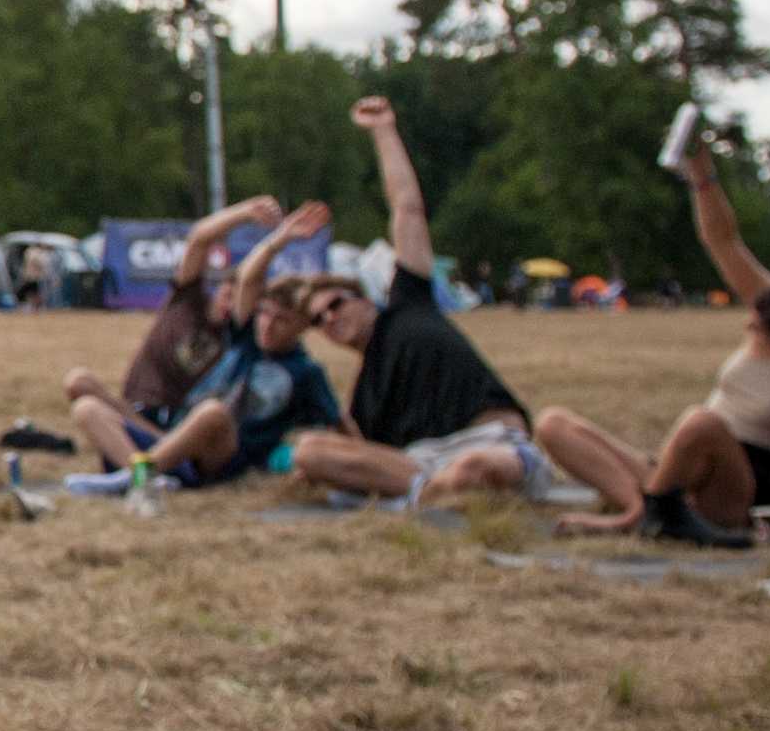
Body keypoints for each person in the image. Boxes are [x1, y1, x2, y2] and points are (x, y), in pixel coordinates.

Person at [534, 151, 770, 545]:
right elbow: (723, 241)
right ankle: (644, 509)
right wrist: (702, 173)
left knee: (704, 422)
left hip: (737, 493)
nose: (748, 325)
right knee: (553, 424)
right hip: (681, 472)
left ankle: (646, 513)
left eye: (758, 329)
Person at [286, 97, 541, 502]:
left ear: (365, 299)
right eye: (318, 321)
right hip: (421, 465)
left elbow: (407, 209)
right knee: (311, 450)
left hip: (486, 442)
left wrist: (383, 130)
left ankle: (443, 490)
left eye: (335, 304)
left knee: (478, 467)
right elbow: (360, 453)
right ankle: (439, 490)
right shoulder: (364, 395)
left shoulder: (410, 303)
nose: (330, 318)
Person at [64, 205, 342, 488]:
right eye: (264, 314)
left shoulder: (304, 370)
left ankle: (138, 475)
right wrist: (279, 238)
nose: (268, 325)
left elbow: (337, 422)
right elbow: (241, 272)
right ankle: (140, 480)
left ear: (302, 327)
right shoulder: (236, 333)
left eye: (281, 320)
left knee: (214, 412)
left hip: (221, 452)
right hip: (172, 433)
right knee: (87, 408)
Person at [62, 195, 281, 438]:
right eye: (229, 294)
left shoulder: (235, 338)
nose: (230, 304)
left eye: (238, 300)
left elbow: (250, 283)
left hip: (179, 424)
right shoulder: (187, 298)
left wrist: (278, 240)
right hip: (134, 408)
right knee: (79, 382)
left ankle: (158, 453)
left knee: (90, 409)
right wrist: (246, 212)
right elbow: (199, 238)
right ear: (220, 288)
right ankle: (155, 448)